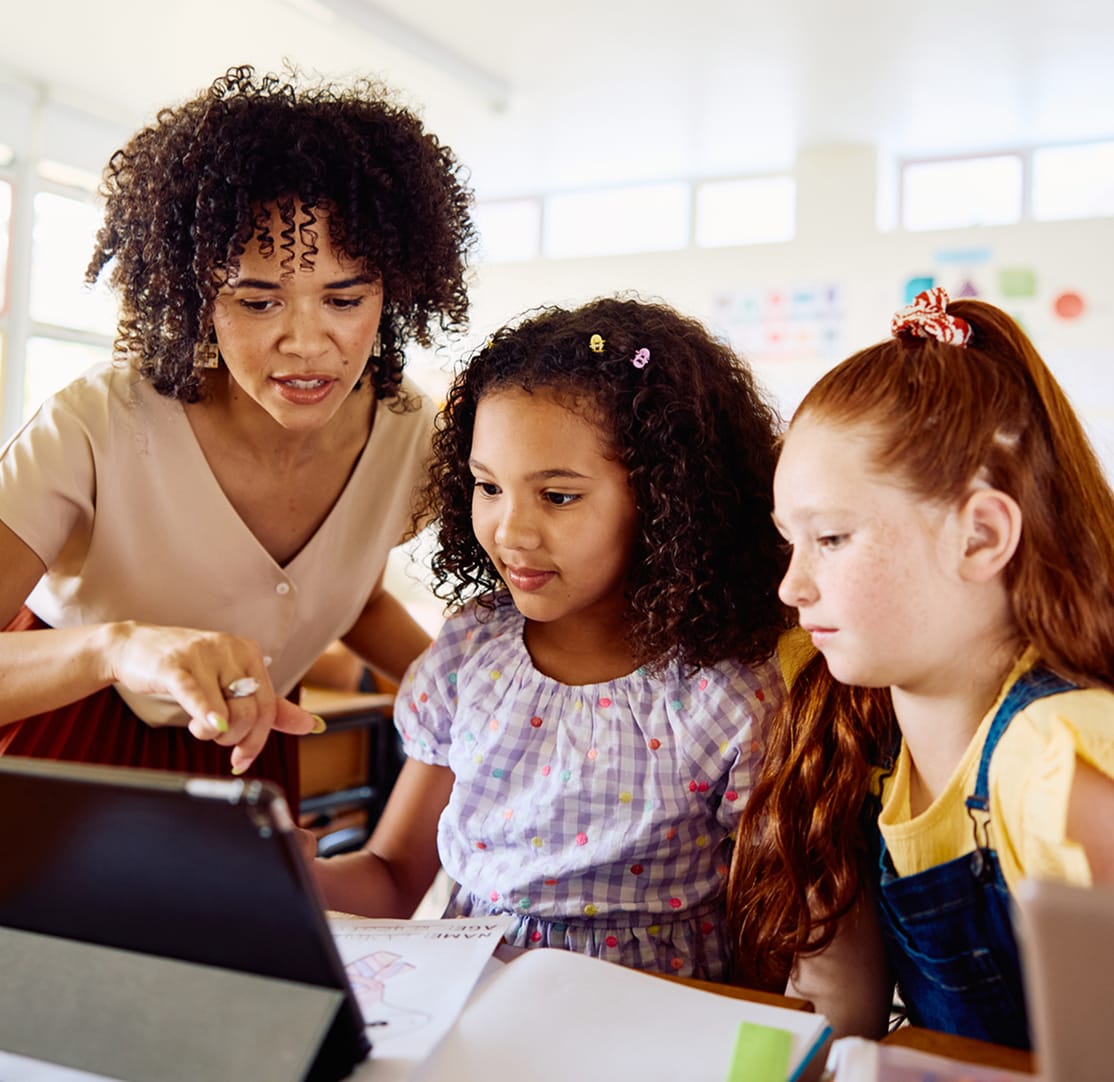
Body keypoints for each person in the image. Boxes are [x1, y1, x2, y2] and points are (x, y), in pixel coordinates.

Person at [0, 65, 474, 798]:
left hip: (247, 761)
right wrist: (117, 648)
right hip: (54, 742)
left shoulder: (412, 439)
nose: (308, 343)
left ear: (396, 291)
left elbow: (357, 599)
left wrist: (478, 700)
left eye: (345, 298)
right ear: (196, 299)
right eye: (257, 303)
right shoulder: (96, 423)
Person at [311, 295, 800, 979]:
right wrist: (284, 877)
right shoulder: (469, 654)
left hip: (644, 1026)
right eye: (488, 487)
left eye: (558, 496)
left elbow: (772, 943)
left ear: (665, 499)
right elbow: (392, 880)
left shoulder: (724, 697)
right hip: (469, 1008)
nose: (510, 532)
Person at [727, 288, 1114, 1045]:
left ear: (979, 538)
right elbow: (837, 1021)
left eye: (831, 538)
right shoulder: (860, 742)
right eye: (789, 542)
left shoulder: (1054, 762)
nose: (791, 585)